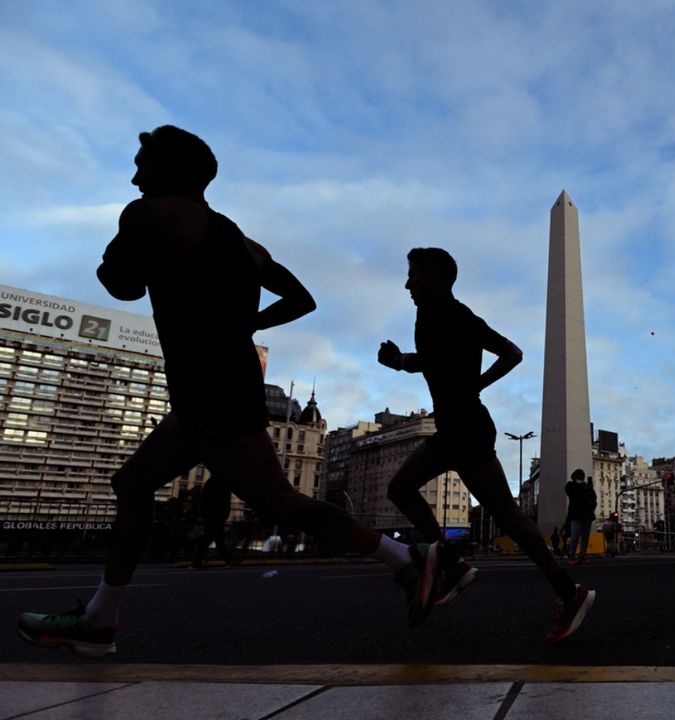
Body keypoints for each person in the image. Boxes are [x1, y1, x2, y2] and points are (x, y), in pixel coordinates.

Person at [17, 126, 444, 659]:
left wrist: (123, 255)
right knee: (138, 483)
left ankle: (409, 560)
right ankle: (101, 616)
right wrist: (245, 326)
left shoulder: (149, 213)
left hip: (205, 385)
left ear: (174, 169)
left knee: (275, 500)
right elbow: (302, 299)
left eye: (142, 164)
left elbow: (120, 283)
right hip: (227, 377)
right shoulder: (243, 241)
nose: (134, 175)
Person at [378, 247, 594, 643]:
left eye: (414, 275)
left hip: (465, 428)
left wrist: (474, 384)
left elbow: (508, 353)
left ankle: (560, 590)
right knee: (411, 490)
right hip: (457, 426)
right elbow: (441, 359)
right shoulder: (439, 315)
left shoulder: (451, 315)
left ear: (438, 278)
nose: (407, 283)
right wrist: (400, 363)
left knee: (503, 515)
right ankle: (453, 563)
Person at [564, 469, 597, 565]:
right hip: (577, 515)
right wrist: (582, 487)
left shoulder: (586, 486)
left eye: (582, 475)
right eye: (580, 475)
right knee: (575, 536)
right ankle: (572, 555)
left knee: (584, 537)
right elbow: (571, 493)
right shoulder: (571, 485)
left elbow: (593, 498)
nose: (581, 477)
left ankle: (582, 556)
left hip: (586, 515)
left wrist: (588, 488)